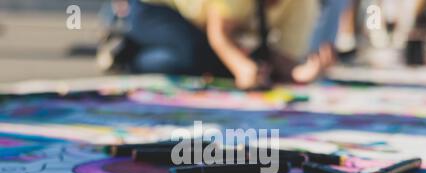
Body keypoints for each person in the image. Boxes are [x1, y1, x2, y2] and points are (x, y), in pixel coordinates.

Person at [98, 0, 349, 89]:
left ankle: (130, 50)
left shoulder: (302, 4)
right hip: (154, 8)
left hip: (198, 28)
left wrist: (300, 73)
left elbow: (281, 55)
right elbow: (218, 34)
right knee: (198, 57)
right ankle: (126, 51)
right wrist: (242, 69)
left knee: (208, 62)